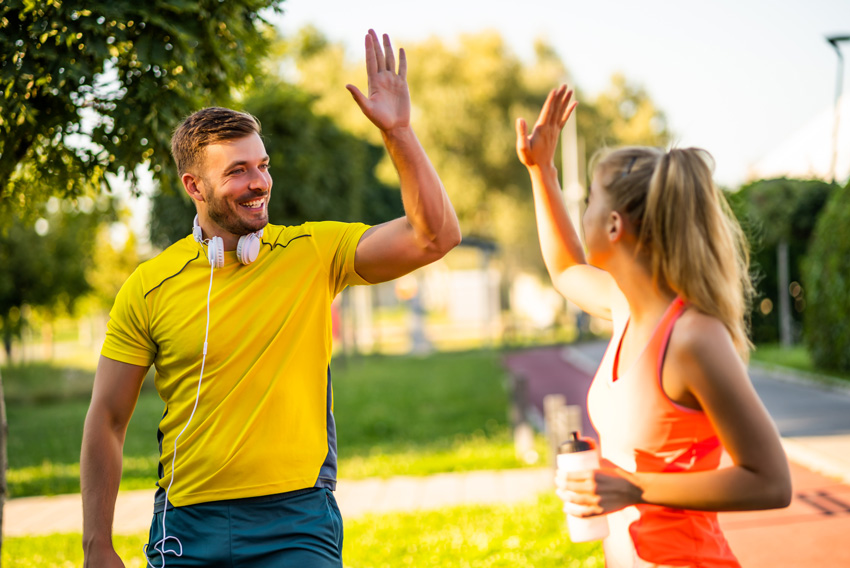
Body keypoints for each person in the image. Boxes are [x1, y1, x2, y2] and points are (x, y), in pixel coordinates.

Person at [80, 29, 461, 567]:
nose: (259, 182)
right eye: (237, 171)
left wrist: (398, 132)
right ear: (194, 186)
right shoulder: (149, 285)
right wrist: (97, 544)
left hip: (297, 523)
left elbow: (435, 237)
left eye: (262, 165)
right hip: (186, 523)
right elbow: (107, 418)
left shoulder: (312, 252)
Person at [515, 85, 791, 567]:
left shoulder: (692, 337)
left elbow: (771, 481)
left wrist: (633, 487)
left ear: (615, 225)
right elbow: (564, 270)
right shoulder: (625, 308)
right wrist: (542, 171)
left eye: (590, 201)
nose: (584, 214)